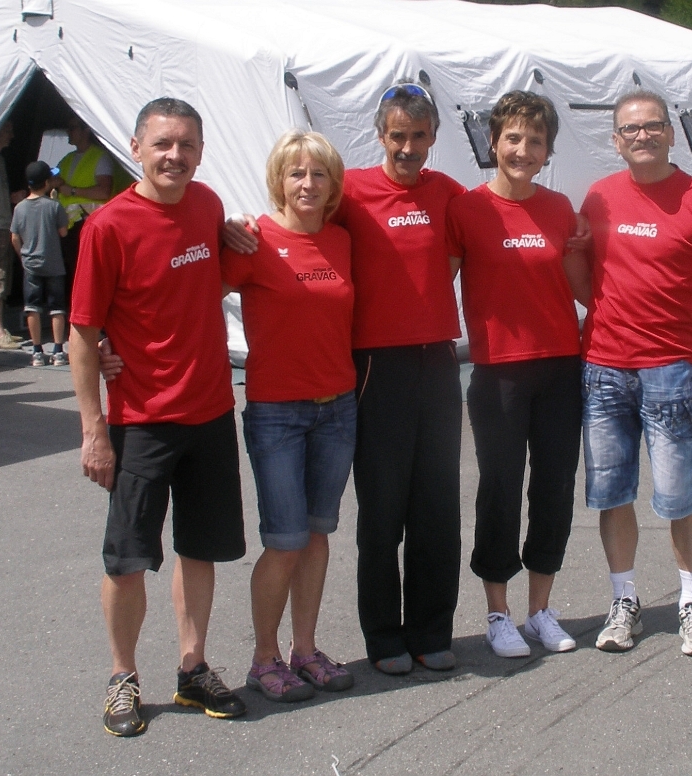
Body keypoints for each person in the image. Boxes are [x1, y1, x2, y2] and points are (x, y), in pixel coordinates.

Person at [225, 82, 465, 674]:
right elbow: (289, 224)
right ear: (380, 136)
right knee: (382, 510)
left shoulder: (450, 194)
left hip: (437, 360)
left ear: (433, 138)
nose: (407, 148)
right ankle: (384, 638)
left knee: (436, 505)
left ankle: (432, 630)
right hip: (372, 366)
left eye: (418, 136)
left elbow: (483, 245)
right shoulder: (348, 191)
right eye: (397, 136)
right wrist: (237, 224)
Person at [69, 97, 246, 737]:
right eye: (163, 144)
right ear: (137, 147)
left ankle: (192, 667)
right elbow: (84, 335)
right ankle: (123, 677)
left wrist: (242, 235)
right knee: (126, 558)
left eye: (188, 145)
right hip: (140, 421)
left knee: (200, 550)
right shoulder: (108, 227)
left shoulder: (207, 208)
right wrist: (94, 431)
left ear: (201, 151)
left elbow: (209, 283)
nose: (176, 156)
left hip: (210, 413)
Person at [580, 89, 692, 657]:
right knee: (612, 494)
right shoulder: (598, 198)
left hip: (671, 371)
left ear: (672, 134)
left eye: (652, 127)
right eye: (630, 129)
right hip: (603, 368)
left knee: (679, 495)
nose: (641, 136)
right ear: (616, 140)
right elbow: (582, 272)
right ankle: (624, 602)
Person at [447, 91, 589, 658]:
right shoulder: (467, 209)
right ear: (493, 143)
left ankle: (540, 611)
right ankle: (498, 613)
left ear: (547, 149)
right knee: (501, 489)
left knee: (553, 487)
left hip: (560, 367)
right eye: (512, 137)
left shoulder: (560, 210)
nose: (522, 149)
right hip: (498, 373)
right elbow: (433, 276)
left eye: (534, 140)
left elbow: (585, 289)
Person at [222, 130, 356, 702]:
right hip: (277, 412)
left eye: (318, 174)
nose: (307, 183)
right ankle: (263, 657)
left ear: (333, 185)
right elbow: (186, 295)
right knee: (284, 540)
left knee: (318, 536)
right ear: (278, 178)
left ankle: (305, 649)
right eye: (296, 173)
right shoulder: (253, 240)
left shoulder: (342, 241)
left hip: (338, 408)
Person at [10, 161, 69, 366]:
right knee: (57, 308)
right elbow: (63, 232)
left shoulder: (20, 208)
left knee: (32, 307)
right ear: (47, 183)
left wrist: (22, 256)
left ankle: (36, 351)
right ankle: (58, 349)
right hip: (53, 263)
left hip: (30, 264)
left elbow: (15, 237)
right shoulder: (54, 206)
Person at [53, 115, 115, 306]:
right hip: (67, 227)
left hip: (87, 223)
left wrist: (72, 190)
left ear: (86, 130)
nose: (68, 132)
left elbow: (104, 190)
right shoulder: (66, 159)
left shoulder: (100, 157)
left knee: (90, 274)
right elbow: (55, 180)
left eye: (72, 128)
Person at [0, 120, 24, 350]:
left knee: (3, 277)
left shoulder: (0, 160)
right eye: (9, 130)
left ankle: (0, 327)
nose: (12, 135)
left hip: (3, 222)